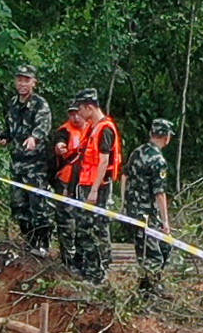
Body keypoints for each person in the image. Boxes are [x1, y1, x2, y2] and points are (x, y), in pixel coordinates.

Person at [52, 91, 121, 278]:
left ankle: (98, 271)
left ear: (89, 107)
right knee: (83, 227)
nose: (79, 114)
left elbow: (103, 161)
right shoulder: (93, 127)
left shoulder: (105, 129)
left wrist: (94, 190)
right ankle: (86, 268)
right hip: (85, 184)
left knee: (93, 228)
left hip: (96, 187)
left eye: (81, 109)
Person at [0, 67, 53, 244]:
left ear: (33, 82)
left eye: (26, 80)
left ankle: (43, 243)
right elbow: (9, 126)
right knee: (18, 204)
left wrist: (34, 138)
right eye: (20, 80)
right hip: (17, 163)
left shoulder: (40, 104)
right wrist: (4, 137)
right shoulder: (13, 103)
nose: (22, 84)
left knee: (38, 204)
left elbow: (43, 126)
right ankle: (29, 241)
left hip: (36, 165)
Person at [123, 118, 177, 298]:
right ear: (167, 137)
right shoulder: (158, 160)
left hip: (133, 212)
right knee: (153, 256)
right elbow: (159, 193)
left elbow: (124, 176)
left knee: (161, 249)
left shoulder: (136, 153)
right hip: (147, 215)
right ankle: (150, 294)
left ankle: (146, 288)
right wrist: (166, 222)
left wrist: (125, 203)